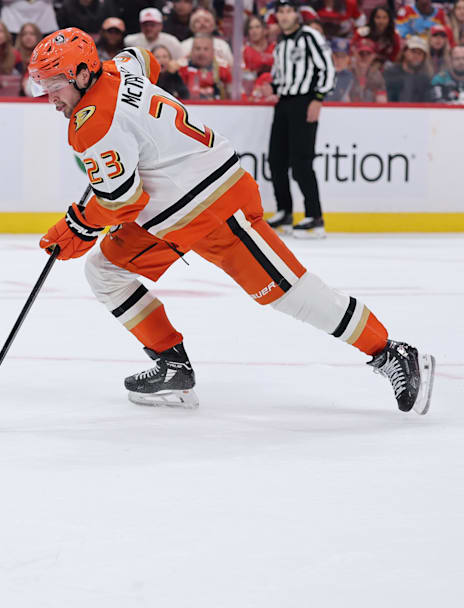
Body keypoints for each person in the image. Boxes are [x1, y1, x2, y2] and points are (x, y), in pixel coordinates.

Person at [25, 27, 434, 416]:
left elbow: (122, 202)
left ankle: (390, 350)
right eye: (43, 86)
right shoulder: (117, 67)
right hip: (171, 214)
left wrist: (76, 226)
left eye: (54, 85)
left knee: (289, 292)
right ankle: (172, 367)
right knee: (105, 270)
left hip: (216, 207)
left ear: (82, 73)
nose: (50, 97)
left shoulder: (93, 124)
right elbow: (145, 60)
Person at [266, 0, 334, 238]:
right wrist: (272, 87)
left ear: (297, 15)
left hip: (305, 101)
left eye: (289, 11)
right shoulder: (280, 42)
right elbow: (279, 73)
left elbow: (327, 68)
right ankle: (284, 211)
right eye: (280, 12)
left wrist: (318, 98)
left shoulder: (309, 36)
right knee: (276, 160)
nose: (284, 16)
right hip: (283, 103)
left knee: (301, 162)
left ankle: (315, 217)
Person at [178, 32, 231, 99]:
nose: (201, 53)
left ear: (213, 51)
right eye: (198, 48)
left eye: (206, 49)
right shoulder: (181, 69)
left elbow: (233, 96)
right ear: (191, 51)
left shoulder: (223, 70)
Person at [384, 36, 434, 103]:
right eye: (413, 51)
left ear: (424, 57)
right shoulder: (390, 73)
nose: (416, 56)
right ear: (404, 52)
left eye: (420, 53)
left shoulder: (425, 79)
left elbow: (428, 104)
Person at [350, 37, 387, 103]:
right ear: (355, 54)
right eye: (361, 53)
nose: (364, 57)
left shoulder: (377, 76)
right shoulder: (347, 73)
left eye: (368, 54)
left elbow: (382, 101)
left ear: (374, 56)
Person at [325, 37, 354, 101]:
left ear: (348, 58)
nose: (339, 60)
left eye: (343, 57)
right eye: (336, 56)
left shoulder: (350, 77)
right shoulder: (321, 74)